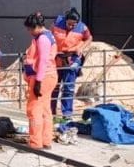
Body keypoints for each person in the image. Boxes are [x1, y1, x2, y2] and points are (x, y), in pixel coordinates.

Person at [23, 12, 58, 150]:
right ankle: (46, 140)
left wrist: (37, 81)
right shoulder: (49, 36)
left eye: (31, 29)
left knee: (34, 110)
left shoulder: (43, 39)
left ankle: (35, 143)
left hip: (42, 77)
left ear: (37, 26)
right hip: (50, 76)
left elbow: (43, 60)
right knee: (45, 110)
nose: (29, 32)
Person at [51, 8, 93, 120]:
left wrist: (81, 48)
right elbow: (51, 36)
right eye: (69, 24)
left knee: (68, 88)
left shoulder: (82, 27)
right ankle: (51, 114)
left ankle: (67, 115)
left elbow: (89, 38)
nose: (71, 27)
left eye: (74, 25)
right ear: (65, 20)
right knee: (54, 87)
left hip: (72, 59)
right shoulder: (57, 23)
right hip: (57, 59)